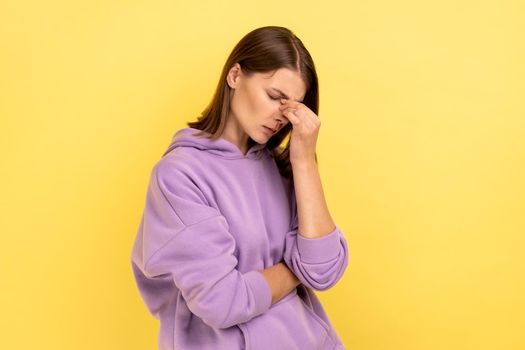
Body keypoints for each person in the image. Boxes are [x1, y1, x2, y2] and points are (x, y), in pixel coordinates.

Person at [130, 25, 349, 350]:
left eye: (293, 106)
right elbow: (223, 301)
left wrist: (303, 161)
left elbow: (325, 270)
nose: (282, 115)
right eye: (275, 97)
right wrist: (296, 268)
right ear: (235, 75)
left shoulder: (283, 169)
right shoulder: (179, 176)